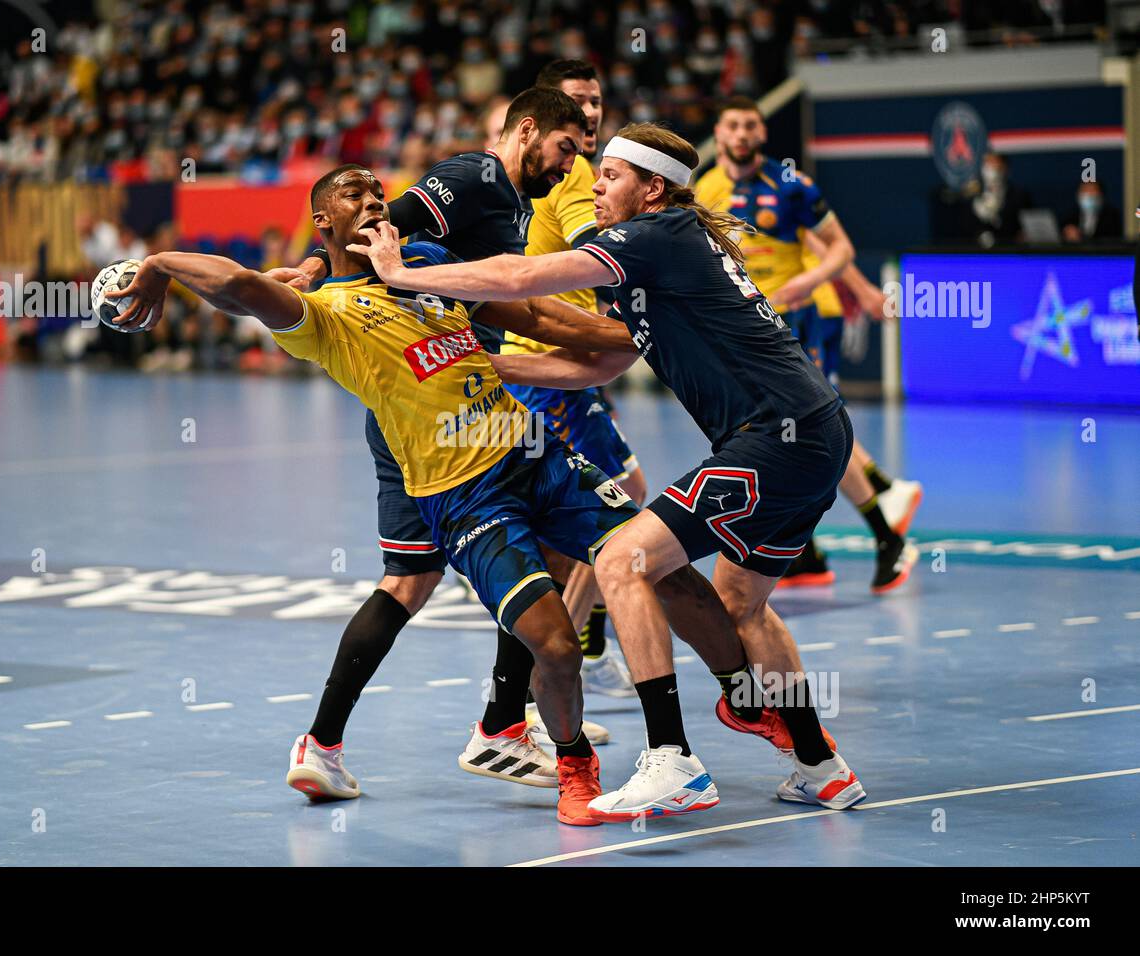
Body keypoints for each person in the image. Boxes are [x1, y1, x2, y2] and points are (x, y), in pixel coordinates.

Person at [108, 163, 745, 825]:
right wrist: (159, 263)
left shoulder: (425, 262)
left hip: (538, 458)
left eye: (380, 194)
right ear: (323, 221)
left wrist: (645, 333)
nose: (376, 202)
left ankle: (747, 698)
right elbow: (240, 285)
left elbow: (528, 310)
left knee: (663, 567)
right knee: (551, 646)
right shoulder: (322, 315)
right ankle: (571, 762)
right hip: (465, 501)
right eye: (355, 195)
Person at [349, 122, 867, 818]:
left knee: (623, 559)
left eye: (612, 175)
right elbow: (601, 363)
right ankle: (820, 765)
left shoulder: (653, 236)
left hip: (774, 440)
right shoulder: (673, 247)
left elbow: (522, 275)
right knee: (741, 604)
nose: (595, 183)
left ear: (652, 188)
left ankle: (672, 759)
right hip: (817, 433)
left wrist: (403, 273)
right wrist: (482, 365)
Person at [283, 87, 616, 791]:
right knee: (484, 557)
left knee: (416, 579)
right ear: (527, 130)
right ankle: (497, 723)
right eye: (565, 145)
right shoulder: (477, 177)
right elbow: (373, 231)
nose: (570, 164)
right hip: (438, 407)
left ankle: (336, 742)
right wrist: (314, 269)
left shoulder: (516, 200)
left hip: (444, 396)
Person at [697, 96, 916, 592]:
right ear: (719, 131)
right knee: (769, 437)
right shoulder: (707, 188)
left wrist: (816, 283)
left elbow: (836, 246)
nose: (741, 134)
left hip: (794, 322)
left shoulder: (791, 184)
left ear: (762, 133)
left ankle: (884, 535)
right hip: (740, 329)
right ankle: (811, 552)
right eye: (732, 125)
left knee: (812, 432)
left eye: (751, 125)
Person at [506, 59, 650, 698]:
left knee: (619, 494)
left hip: (568, 362)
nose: (589, 114)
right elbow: (600, 252)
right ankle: (562, 669)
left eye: (595, 101)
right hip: (550, 366)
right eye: (576, 104)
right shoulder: (578, 175)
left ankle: (566, 661)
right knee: (606, 509)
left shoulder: (556, 169)